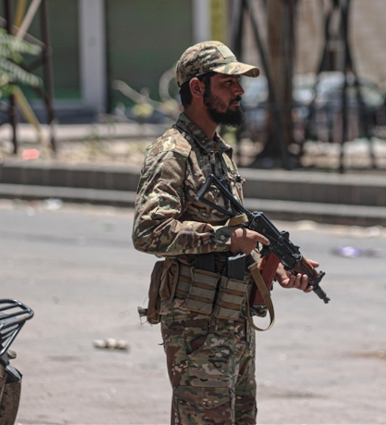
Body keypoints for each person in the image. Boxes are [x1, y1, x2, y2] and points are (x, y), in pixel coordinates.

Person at [132, 41, 317, 424]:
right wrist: (226, 238)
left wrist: (277, 270)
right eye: (227, 82)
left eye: (238, 82)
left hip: (234, 318)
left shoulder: (218, 153)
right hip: (197, 326)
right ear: (197, 88)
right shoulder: (173, 152)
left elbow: (235, 232)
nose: (239, 91)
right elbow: (149, 231)